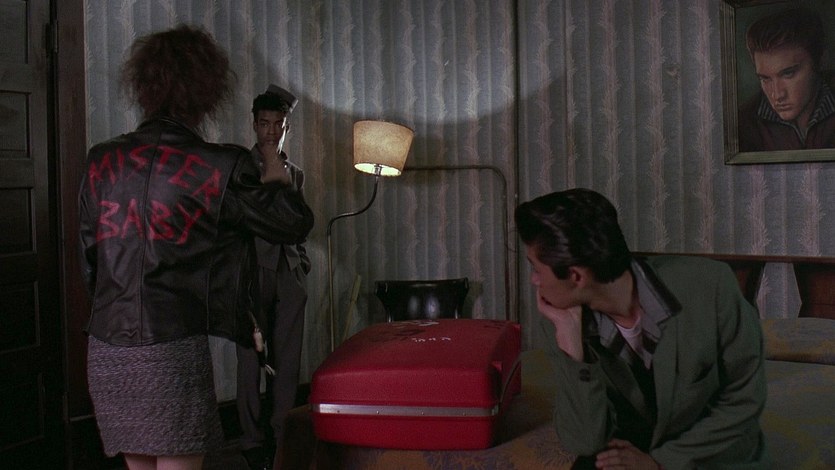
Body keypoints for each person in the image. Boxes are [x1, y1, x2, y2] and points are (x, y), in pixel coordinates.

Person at [78, 25, 314, 470]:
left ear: (145, 86)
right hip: (171, 350)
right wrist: (275, 170)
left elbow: (91, 264)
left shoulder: (101, 159)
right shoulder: (219, 163)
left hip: (107, 348)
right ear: (206, 91)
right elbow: (295, 223)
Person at [514, 188, 768, 469]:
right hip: (631, 451)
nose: (535, 281)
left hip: (709, 455)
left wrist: (659, 463)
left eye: (536, 269)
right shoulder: (561, 323)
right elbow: (584, 441)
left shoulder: (710, 284)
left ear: (576, 276)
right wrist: (575, 356)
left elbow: (744, 399)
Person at [235, 85, 311, 470]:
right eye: (264, 124)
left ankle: (283, 436)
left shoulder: (295, 174)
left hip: (288, 271)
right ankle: (251, 441)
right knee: (251, 357)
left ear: (286, 128)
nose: (270, 131)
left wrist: (301, 265)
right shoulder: (242, 169)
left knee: (288, 360)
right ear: (254, 125)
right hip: (252, 271)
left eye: (277, 125)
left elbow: (298, 224)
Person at [738, 7, 835, 151]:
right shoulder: (745, 123)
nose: (777, 95)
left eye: (788, 74)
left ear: (821, 61)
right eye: (765, 79)